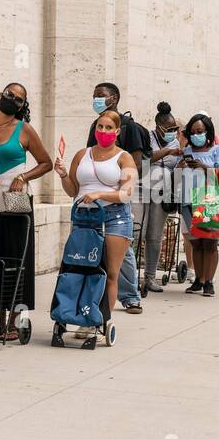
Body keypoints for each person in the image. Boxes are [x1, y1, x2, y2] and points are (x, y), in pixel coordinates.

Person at [0, 83, 52, 340]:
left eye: (19, 99)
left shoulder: (24, 129)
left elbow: (46, 163)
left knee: (14, 260)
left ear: (23, 106)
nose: (13, 100)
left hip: (15, 204)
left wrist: (24, 175)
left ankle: (12, 322)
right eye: (10, 95)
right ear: (0, 95)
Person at [55, 108, 137, 325]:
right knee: (79, 268)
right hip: (83, 217)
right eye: (100, 126)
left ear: (117, 131)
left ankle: (102, 320)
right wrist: (63, 174)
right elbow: (73, 190)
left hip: (114, 217)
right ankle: (77, 314)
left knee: (109, 272)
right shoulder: (82, 155)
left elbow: (127, 193)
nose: (103, 131)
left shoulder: (124, 157)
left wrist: (100, 193)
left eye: (109, 127)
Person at [87, 82, 150, 315]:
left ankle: (131, 296)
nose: (96, 99)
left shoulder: (129, 127)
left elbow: (136, 160)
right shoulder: (95, 125)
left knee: (124, 251)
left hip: (119, 197)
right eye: (94, 95)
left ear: (113, 98)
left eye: (100, 96)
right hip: (94, 203)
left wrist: (124, 183)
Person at [179, 113, 219, 296]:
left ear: (207, 131)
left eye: (199, 131)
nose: (196, 135)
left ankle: (209, 281)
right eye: (192, 132)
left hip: (210, 202)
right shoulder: (186, 151)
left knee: (209, 243)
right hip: (188, 201)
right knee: (196, 243)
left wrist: (203, 166)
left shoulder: (218, 151)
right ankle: (198, 281)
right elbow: (178, 176)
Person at [143, 102, 183, 292]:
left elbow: (177, 168)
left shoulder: (176, 142)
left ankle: (150, 277)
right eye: (169, 129)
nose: (173, 132)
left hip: (163, 194)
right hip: (141, 190)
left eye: (175, 128)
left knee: (155, 236)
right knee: (137, 233)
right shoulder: (147, 137)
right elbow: (145, 158)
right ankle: (131, 275)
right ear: (158, 127)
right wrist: (167, 151)